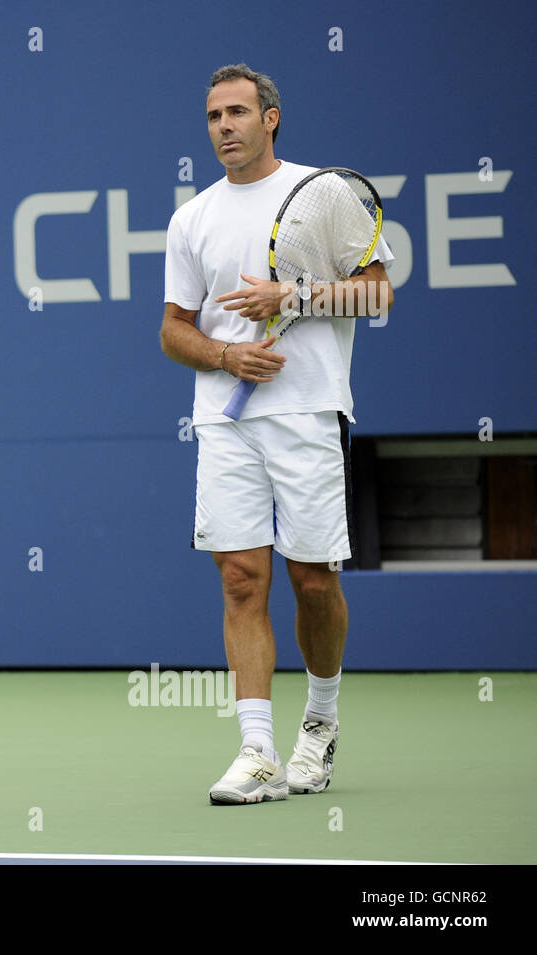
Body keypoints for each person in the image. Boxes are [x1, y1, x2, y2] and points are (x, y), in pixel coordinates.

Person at [160, 64, 393, 804]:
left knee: (314, 580)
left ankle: (318, 727)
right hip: (225, 422)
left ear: (271, 119)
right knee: (240, 578)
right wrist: (228, 354)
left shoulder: (323, 194)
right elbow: (173, 330)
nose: (222, 126)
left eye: (236, 112)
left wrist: (291, 294)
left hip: (308, 411)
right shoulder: (190, 218)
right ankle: (256, 749)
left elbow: (379, 290)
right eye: (211, 116)